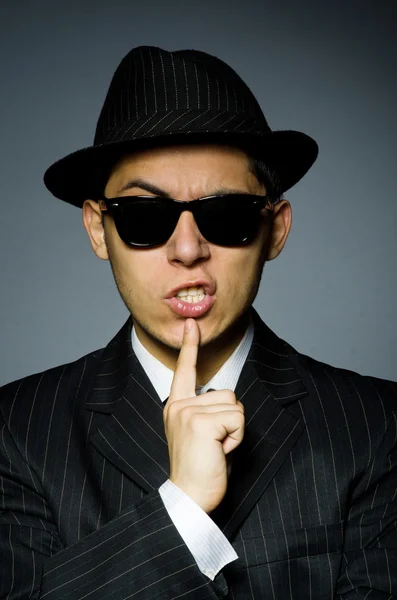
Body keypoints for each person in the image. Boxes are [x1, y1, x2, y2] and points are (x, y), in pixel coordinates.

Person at [0, 45, 396, 600]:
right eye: (144, 217)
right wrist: (181, 509)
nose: (187, 249)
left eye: (226, 215)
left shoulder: (377, 426)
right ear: (97, 229)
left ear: (275, 229)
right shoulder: (15, 432)